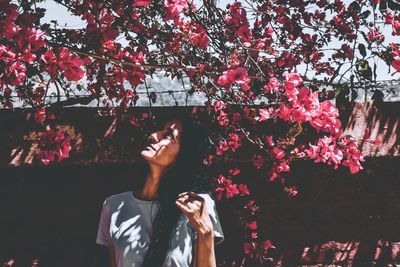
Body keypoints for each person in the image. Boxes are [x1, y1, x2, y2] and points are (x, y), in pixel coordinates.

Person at [96, 113, 224, 267]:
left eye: (169, 135)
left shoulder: (196, 205)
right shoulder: (113, 206)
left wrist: (206, 233)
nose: (153, 136)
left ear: (183, 155)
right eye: (158, 130)